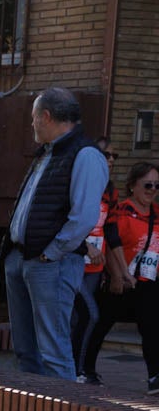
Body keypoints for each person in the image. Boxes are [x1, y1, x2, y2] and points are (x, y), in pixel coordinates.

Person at [2, 86, 107, 380]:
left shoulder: (85, 155)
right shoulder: (48, 153)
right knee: (26, 349)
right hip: (22, 258)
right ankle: (32, 405)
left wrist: (52, 253)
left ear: (46, 116)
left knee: (54, 352)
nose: (32, 123)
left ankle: (60, 408)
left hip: (51, 263)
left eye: (34, 117)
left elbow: (84, 216)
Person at [105, 161, 159, 395]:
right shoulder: (123, 212)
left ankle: (155, 377)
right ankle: (83, 369)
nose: (152, 190)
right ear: (132, 186)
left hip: (148, 281)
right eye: (147, 185)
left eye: (157, 185)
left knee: (152, 328)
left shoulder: (157, 213)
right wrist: (116, 276)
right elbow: (111, 243)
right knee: (101, 324)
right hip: (124, 281)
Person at [73, 140, 120, 384]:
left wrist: (121, 271)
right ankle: (75, 370)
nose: (110, 160)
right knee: (89, 315)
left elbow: (111, 231)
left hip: (95, 267)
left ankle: (79, 369)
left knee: (82, 318)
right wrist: (85, 245)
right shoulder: (80, 183)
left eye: (114, 156)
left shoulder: (111, 190)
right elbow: (69, 222)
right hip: (73, 262)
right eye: (106, 154)